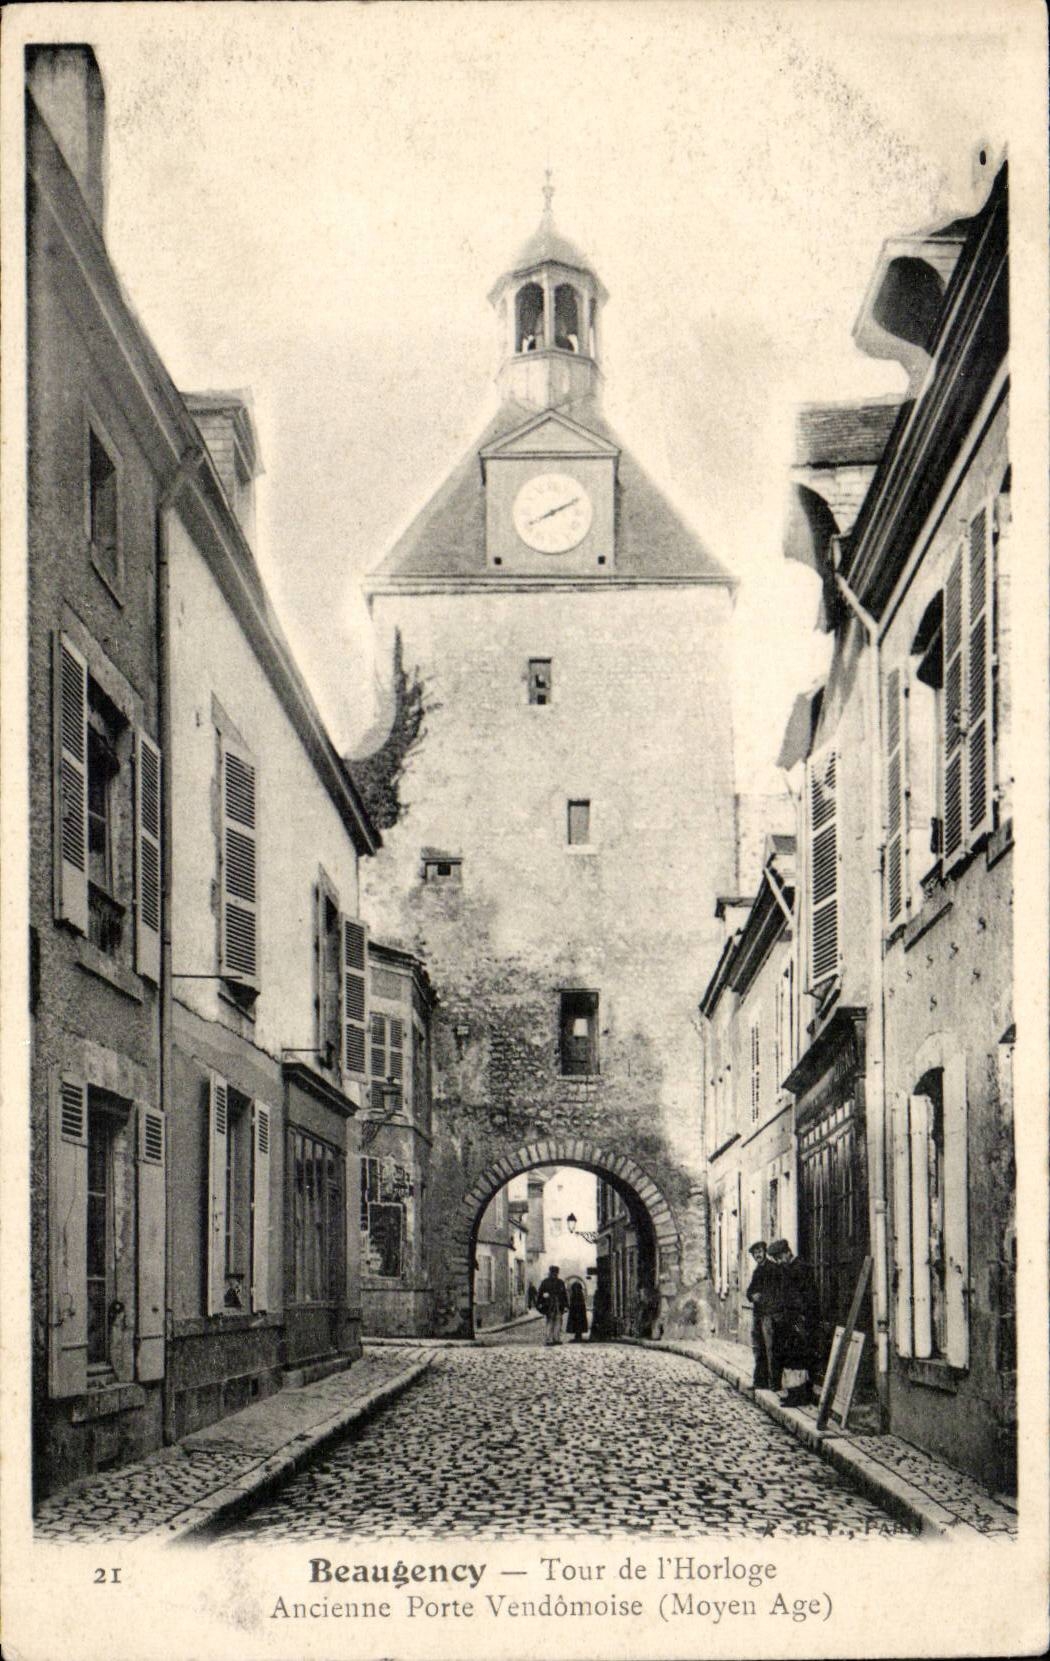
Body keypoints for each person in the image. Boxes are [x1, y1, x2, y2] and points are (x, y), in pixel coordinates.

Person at [767, 1238, 819, 1406]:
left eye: (780, 1257)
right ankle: (794, 1393)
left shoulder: (801, 1268)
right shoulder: (788, 1269)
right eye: (776, 1259)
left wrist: (799, 1318)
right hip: (791, 1320)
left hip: (799, 1320)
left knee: (799, 1358)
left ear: (787, 1253)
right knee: (791, 1357)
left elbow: (806, 1297)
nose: (779, 1262)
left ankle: (800, 1395)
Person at [745, 1240, 779, 1391]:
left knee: (771, 1348)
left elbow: (776, 1292)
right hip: (758, 1314)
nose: (757, 1255)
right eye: (754, 1253)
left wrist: (761, 1297)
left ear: (764, 1252)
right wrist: (752, 1297)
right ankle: (760, 1381)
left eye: (759, 1252)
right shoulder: (757, 1271)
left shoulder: (773, 1269)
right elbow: (749, 1291)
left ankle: (774, 1383)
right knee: (758, 1348)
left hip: (769, 1314)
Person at [536, 1264, 569, 1345]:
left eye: (556, 1273)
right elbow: (540, 1293)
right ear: (550, 1273)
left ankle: (556, 1338)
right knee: (550, 1321)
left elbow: (564, 1294)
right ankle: (549, 1339)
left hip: (558, 1305)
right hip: (549, 1305)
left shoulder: (560, 1282)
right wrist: (540, 1303)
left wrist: (566, 1305)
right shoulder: (545, 1282)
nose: (554, 1275)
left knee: (558, 1321)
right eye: (553, 1273)